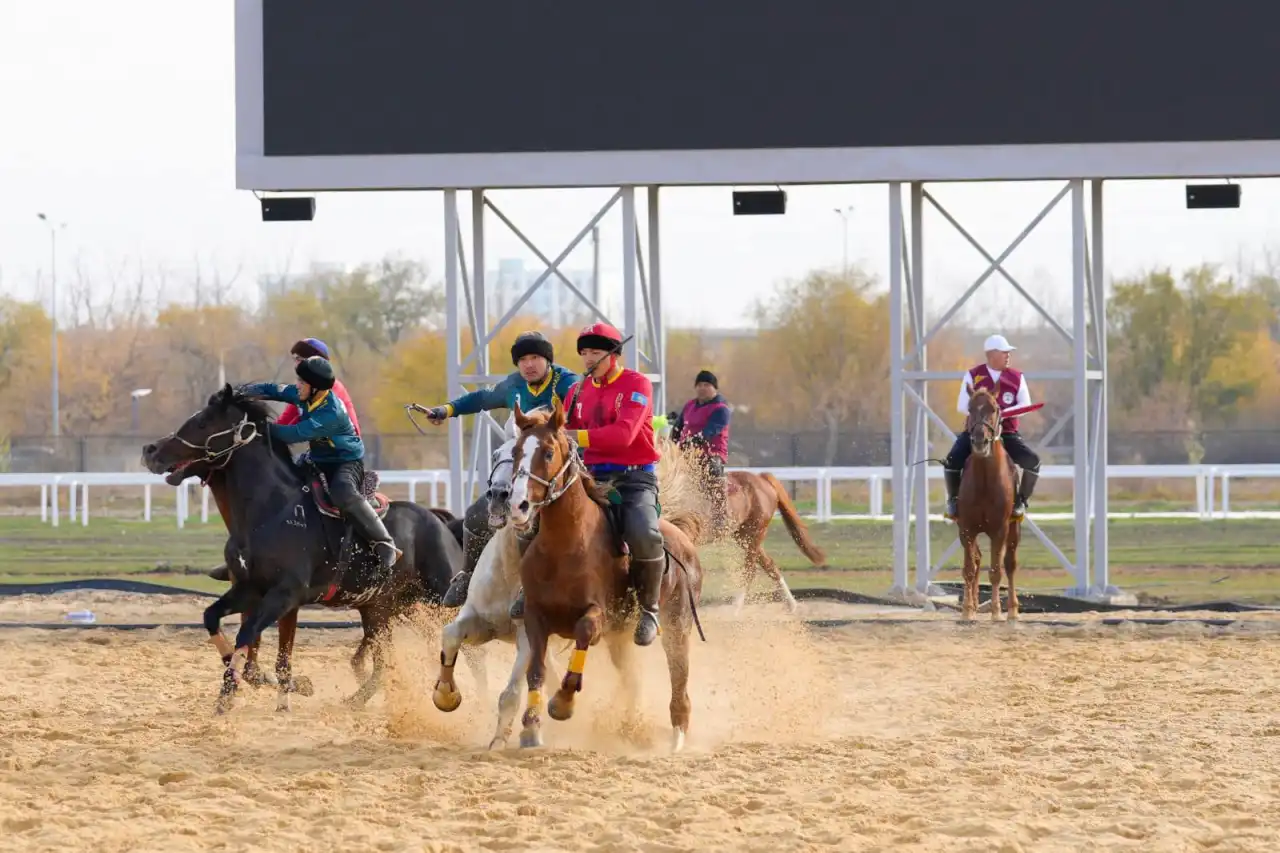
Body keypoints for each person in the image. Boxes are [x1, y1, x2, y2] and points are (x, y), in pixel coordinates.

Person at [506, 322, 666, 646]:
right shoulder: (577, 391)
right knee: (531, 519)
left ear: (614, 354)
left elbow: (624, 436)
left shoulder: (637, 385)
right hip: (587, 476)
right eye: (584, 353)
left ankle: (649, 610)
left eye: (595, 352)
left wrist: (570, 435)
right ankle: (531, 589)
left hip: (632, 478)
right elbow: (563, 435)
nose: (588, 358)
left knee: (644, 533)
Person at [421, 331, 581, 607]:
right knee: (474, 517)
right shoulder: (514, 385)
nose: (529, 365)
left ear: (548, 360)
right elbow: (482, 398)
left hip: (558, 462)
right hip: (522, 460)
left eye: (535, 358)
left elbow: (583, 413)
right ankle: (467, 576)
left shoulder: (567, 383)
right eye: (523, 360)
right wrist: (446, 410)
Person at [239, 356, 402, 572]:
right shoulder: (305, 393)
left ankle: (385, 543)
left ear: (315, 388)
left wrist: (257, 427)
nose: (297, 386)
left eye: (301, 383)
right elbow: (273, 389)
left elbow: (292, 434)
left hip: (346, 462)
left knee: (342, 491)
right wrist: (240, 393)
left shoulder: (330, 413)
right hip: (318, 458)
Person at [943, 334, 1042, 520]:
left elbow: (1025, 404)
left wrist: (1000, 414)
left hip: (1007, 433)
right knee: (952, 460)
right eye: (1005, 352)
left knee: (1033, 461)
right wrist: (984, 416)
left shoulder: (1017, 377)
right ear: (992, 355)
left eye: (1008, 353)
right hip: (976, 432)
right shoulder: (973, 375)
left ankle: (1021, 501)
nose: (1008, 356)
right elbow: (962, 406)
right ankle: (953, 501)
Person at [670, 370, 732, 539]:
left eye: (707, 385)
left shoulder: (721, 409)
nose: (702, 388)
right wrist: (672, 442)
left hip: (711, 453)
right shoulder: (689, 405)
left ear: (715, 388)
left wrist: (694, 440)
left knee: (713, 469)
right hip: (688, 452)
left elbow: (711, 430)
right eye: (699, 385)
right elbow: (678, 426)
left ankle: (721, 515)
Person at [279, 338, 362, 437]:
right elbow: (284, 420)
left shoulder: (330, 387)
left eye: (299, 359)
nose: (296, 365)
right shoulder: (303, 389)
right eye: (295, 359)